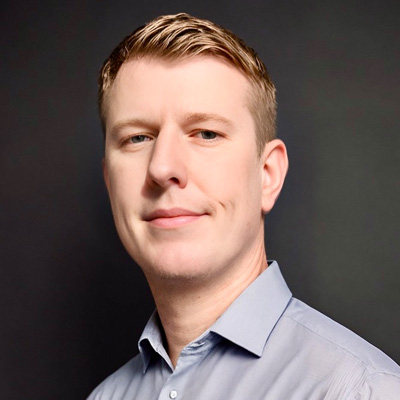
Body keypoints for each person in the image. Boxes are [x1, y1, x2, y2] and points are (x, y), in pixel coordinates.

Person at [88, 13, 400, 400]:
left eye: (206, 133)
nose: (162, 167)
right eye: (137, 138)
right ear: (109, 182)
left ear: (267, 174)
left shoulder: (365, 391)